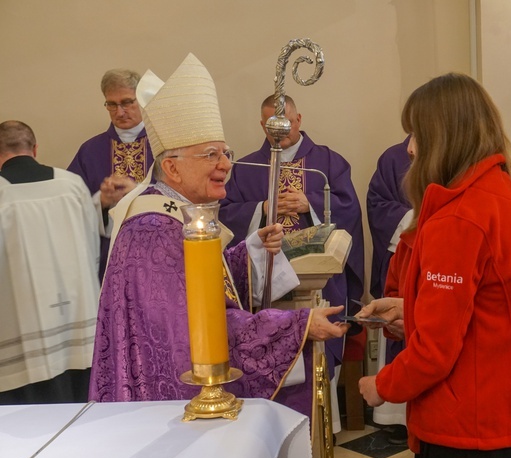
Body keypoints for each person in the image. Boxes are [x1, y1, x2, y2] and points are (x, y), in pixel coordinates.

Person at [88, 54, 349, 419]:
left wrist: (251, 250)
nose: (226, 165)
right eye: (211, 155)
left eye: (226, 153)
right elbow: (192, 330)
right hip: (167, 407)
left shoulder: (179, 216)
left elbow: (203, 288)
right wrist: (298, 325)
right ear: (172, 168)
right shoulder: (153, 231)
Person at [357, 73, 511, 458]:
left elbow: (436, 348)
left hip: (475, 429)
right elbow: (494, 306)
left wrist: (382, 384)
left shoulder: (460, 218)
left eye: (415, 134)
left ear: (442, 135)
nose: (410, 149)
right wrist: (409, 306)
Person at [219, 93, 365, 428]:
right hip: (266, 278)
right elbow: (226, 215)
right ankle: (274, 424)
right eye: (272, 124)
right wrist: (263, 209)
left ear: (299, 120)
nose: (280, 131)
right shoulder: (245, 168)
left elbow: (350, 208)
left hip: (318, 276)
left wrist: (309, 203)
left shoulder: (328, 162)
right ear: (262, 124)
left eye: (286, 123)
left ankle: (323, 425)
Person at [0, 120, 100, 404]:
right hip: (79, 319)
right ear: (35, 148)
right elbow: (92, 244)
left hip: (23, 328)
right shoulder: (72, 184)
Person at [68, 69, 155, 280]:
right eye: (112, 104)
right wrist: (101, 202)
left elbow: (184, 197)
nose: (120, 111)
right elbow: (71, 208)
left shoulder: (163, 145)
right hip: (109, 258)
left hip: (156, 253)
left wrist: (138, 192)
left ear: (142, 101)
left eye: (127, 102)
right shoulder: (90, 150)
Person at [366, 137, 412, 443]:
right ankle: (395, 414)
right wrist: (414, 220)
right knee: (399, 320)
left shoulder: (452, 154)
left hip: (436, 257)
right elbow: (377, 204)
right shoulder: (393, 157)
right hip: (405, 254)